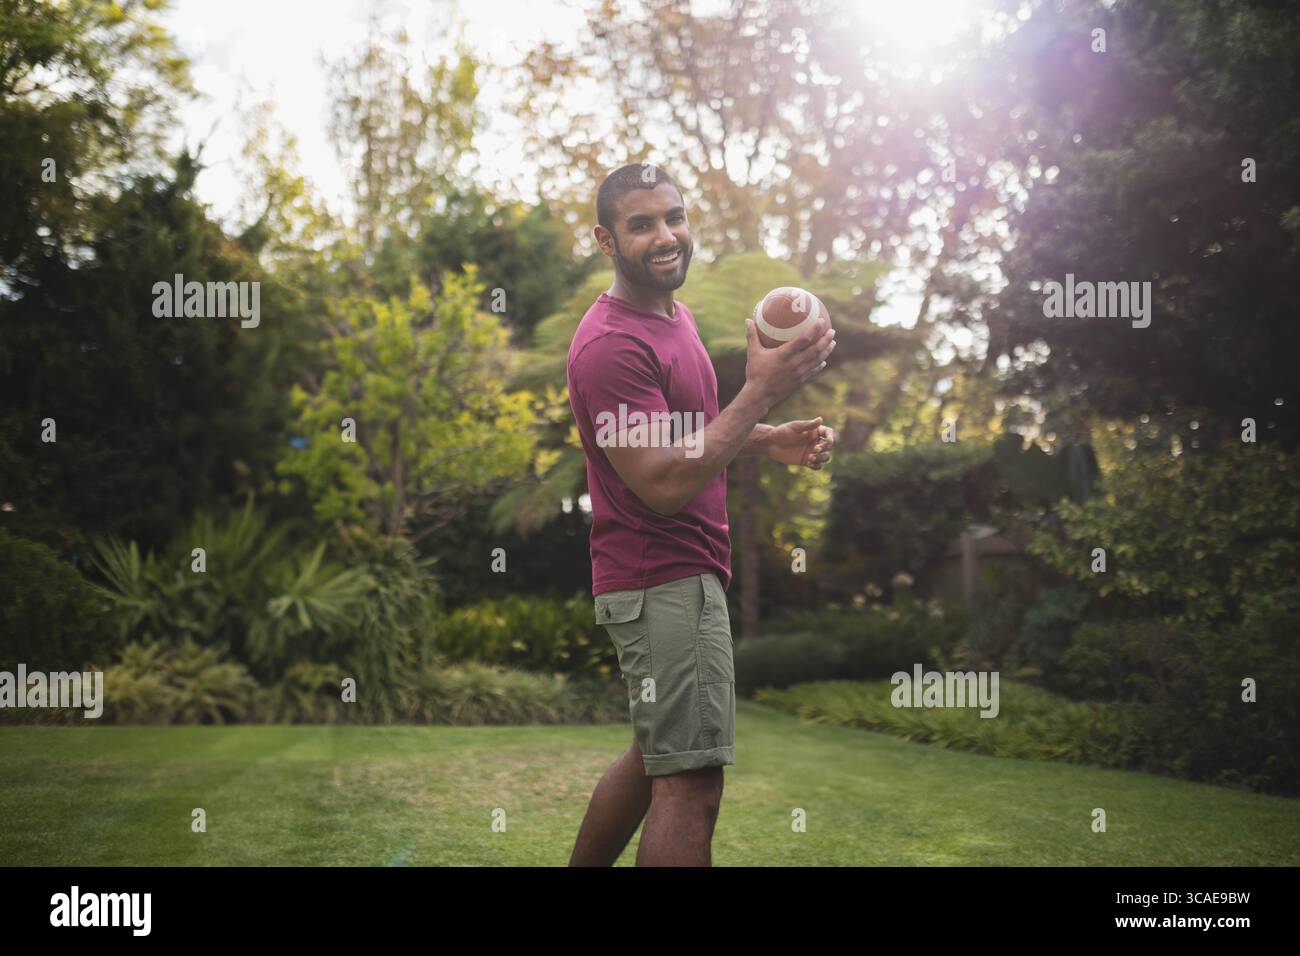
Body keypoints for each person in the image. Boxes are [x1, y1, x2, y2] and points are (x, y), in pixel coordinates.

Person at [566, 163, 836, 866]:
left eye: (675, 216)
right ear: (606, 240)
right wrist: (761, 394)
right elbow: (659, 481)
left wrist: (767, 437)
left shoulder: (673, 318)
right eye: (642, 223)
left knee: (655, 757)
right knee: (690, 783)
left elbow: (687, 437)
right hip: (663, 577)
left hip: (678, 577)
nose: (667, 236)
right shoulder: (610, 347)